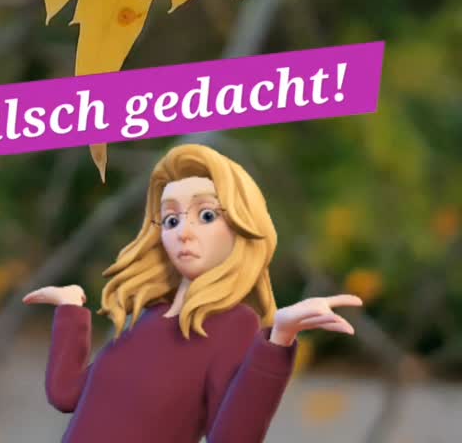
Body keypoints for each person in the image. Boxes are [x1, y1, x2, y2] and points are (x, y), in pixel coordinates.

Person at [23, 144, 363, 442]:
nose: (184, 232)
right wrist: (69, 307)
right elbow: (68, 394)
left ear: (241, 224)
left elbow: (232, 437)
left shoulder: (232, 325)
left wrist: (280, 339)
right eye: (171, 220)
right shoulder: (151, 316)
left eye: (206, 215)